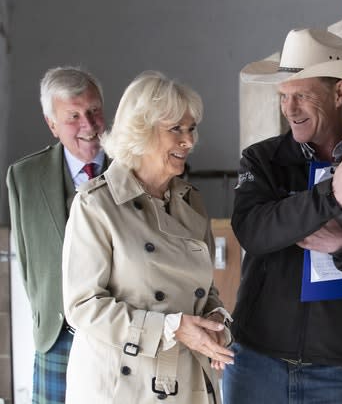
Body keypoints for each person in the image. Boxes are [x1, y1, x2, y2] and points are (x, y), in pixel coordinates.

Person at [224, 29, 342, 403]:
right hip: (254, 362)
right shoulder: (262, 160)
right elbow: (253, 232)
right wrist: (331, 195)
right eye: (283, 96)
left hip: (334, 372)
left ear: (340, 93)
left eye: (302, 96)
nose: (289, 108)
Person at [60, 71, 234, 404]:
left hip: (186, 381)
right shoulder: (96, 203)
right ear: (141, 131)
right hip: (122, 386)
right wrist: (169, 328)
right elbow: (83, 307)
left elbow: (205, 289)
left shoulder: (190, 200)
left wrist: (215, 321)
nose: (189, 141)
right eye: (176, 130)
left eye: (191, 128)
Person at [6, 66, 107, 404]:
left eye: (94, 111)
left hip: (120, 333)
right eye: (73, 116)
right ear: (51, 124)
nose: (88, 126)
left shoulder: (135, 167)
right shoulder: (24, 177)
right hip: (57, 333)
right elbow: (29, 261)